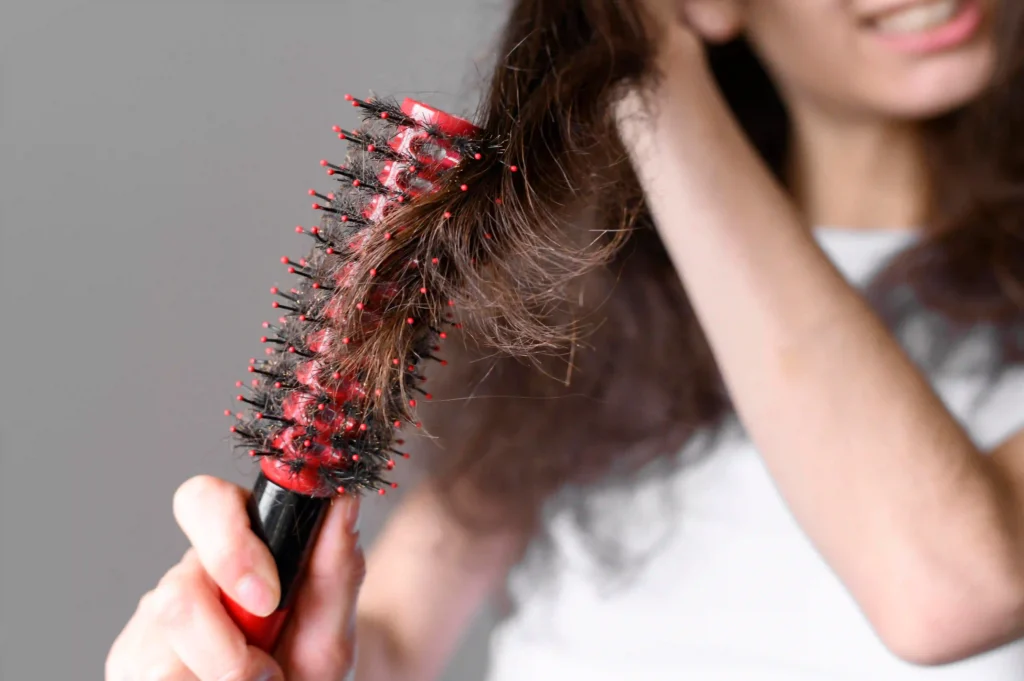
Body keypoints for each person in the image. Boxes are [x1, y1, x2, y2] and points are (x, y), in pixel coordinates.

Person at [107, 0, 1024, 679]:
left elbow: (945, 585)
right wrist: (218, 651)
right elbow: (377, 639)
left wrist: (647, 59)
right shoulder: (590, 315)